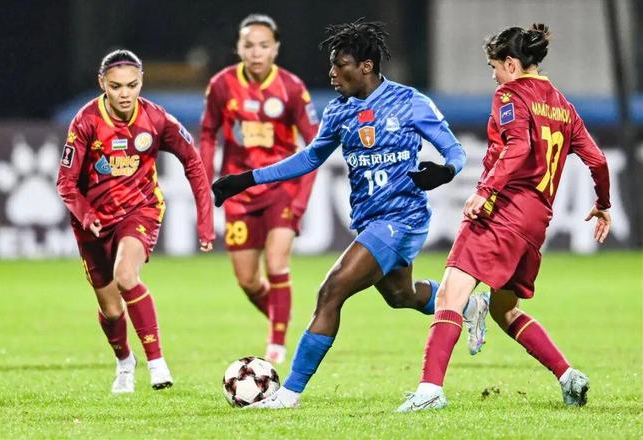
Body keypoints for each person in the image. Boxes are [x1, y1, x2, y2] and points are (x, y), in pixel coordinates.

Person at [212, 20, 490, 409]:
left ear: (366, 66)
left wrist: (445, 171)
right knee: (401, 296)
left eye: (340, 64)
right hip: (370, 220)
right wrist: (246, 179)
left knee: (331, 292)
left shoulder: (409, 102)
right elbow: (310, 157)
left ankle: (288, 394)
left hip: (402, 218)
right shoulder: (338, 111)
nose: (331, 72)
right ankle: (468, 305)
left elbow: (455, 151)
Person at [396, 24, 611, 412]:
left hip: (502, 212)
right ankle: (568, 376)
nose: (493, 76)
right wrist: (604, 204)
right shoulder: (563, 106)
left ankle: (430, 391)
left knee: (449, 294)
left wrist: (484, 191)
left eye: (494, 66)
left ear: (511, 64)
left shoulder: (511, 94)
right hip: (535, 225)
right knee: (504, 309)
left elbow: (518, 146)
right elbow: (597, 160)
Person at [56, 49, 215, 393]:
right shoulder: (85, 121)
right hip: (92, 222)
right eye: (116, 87)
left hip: (139, 210)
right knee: (112, 311)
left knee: (126, 276)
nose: (125, 94)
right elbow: (65, 183)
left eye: (132, 85)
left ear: (141, 82)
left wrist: (205, 221)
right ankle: (125, 362)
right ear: (102, 84)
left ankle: (157, 363)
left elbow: (193, 163)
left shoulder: (157, 119)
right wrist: (86, 214)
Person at [200, 14, 320, 364]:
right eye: (249, 45)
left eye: (263, 45)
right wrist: (205, 182)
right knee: (248, 280)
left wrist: (300, 201)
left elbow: (315, 145)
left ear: (275, 49)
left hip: (281, 188)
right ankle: (281, 316)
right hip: (238, 192)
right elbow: (207, 134)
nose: (256, 52)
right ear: (238, 48)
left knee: (277, 263)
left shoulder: (292, 88)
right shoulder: (222, 85)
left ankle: (277, 345)